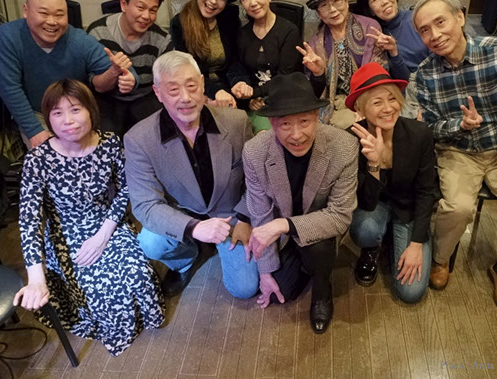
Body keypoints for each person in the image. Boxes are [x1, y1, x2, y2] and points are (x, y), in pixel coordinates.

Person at [412, 0, 497, 315]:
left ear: (460, 17)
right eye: (424, 30)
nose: (434, 35)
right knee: (456, 208)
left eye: (440, 22)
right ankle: (442, 259)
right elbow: (431, 128)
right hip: (458, 151)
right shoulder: (426, 73)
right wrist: (460, 125)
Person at [13, 79, 164, 357]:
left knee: (138, 274)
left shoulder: (109, 142)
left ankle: (143, 317)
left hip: (107, 223)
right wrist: (35, 277)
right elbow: (29, 220)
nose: (68, 120)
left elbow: (126, 188)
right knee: (102, 289)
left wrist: (103, 235)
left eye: (75, 109)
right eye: (57, 113)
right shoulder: (38, 160)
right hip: (65, 233)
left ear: (90, 110)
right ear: (48, 118)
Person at [124, 51, 258, 299]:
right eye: (173, 90)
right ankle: (187, 258)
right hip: (181, 213)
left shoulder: (237, 122)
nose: (185, 98)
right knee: (150, 243)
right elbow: (145, 205)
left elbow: (255, 179)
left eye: (191, 86)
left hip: (230, 214)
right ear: (158, 93)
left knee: (245, 288)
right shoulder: (138, 139)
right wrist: (193, 228)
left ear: (202, 85)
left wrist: (244, 217)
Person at [242, 72, 358, 334]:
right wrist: (265, 272)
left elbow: (340, 215)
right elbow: (260, 215)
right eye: (285, 124)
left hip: (320, 230)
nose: (297, 135)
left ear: (317, 116)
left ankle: (322, 291)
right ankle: (303, 263)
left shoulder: (344, 147)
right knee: (281, 291)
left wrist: (284, 225)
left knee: (319, 250)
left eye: (304, 121)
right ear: (272, 123)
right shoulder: (254, 152)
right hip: (282, 234)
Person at [0, 0, 138, 148]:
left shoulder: (79, 40)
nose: (52, 22)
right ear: (26, 11)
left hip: (76, 110)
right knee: (48, 156)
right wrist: (34, 131)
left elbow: (123, 69)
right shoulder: (9, 36)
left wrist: (129, 77)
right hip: (37, 113)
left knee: (92, 152)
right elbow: (10, 88)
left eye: (59, 15)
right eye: (44, 13)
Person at [345, 62, 438, 303]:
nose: (388, 108)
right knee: (365, 230)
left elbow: (427, 191)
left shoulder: (419, 134)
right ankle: (372, 247)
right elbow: (365, 202)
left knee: (411, 292)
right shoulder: (350, 139)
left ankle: (397, 240)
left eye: (393, 99)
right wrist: (374, 164)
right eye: (377, 102)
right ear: (360, 108)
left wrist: (416, 244)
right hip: (374, 207)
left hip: (409, 210)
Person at [297, 0, 408, 129]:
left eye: (337, 1)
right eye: (324, 5)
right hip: (334, 105)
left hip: (369, 97)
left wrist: (363, 106)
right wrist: (318, 74)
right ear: (318, 13)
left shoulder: (370, 27)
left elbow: (378, 71)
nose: (333, 9)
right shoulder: (315, 43)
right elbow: (314, 93)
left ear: (346, 2)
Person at [87, 0, 172, 135]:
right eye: (140, 7)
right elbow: (97, 85)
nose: (146, 16)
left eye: (153, 10)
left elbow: (167, 81)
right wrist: (114, 72)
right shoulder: (98, 32)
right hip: (108, 99)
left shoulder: (162, 39)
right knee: (103, 139)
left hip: (146, 97)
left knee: (160, 133)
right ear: (124, 4)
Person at [170, 0, 250, 109]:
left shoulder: (229, 18)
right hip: (196, 87)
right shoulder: (180, 23)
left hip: (226, 85)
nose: (213, 1)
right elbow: (188, 70)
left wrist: (239, 81)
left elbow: (234, 59)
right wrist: (215, 91)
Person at [236, 0, 302, 132]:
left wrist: (253, 93)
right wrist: (249, 99)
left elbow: (284, 76)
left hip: (282, 100)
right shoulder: (242, 34)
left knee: (264, 134)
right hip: (252, 103)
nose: (252, 2)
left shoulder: (289, 31)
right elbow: (241, 70)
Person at [356, 0, 431, 118]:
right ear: (370, 10)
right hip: (407, 93)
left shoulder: (417, 19)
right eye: (375, 0)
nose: (384, 1)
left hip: (432, 83)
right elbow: (404, 80)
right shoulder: (376, 35)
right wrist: (393, 52)